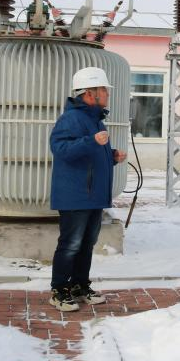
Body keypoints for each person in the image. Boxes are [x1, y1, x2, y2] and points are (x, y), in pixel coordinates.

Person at [48, 66, 127, 312]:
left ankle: (79, 286)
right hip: (75, 195)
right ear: (90, 93)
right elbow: (60, 149)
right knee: (71, 244)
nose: (108, 94)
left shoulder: (95, 119)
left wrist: (111, 156)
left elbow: (89, 155)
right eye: (104, 89)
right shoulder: (71, 118)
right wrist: (91, 141)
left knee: (86, 244)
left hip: (92, 195)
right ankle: (59, 291)